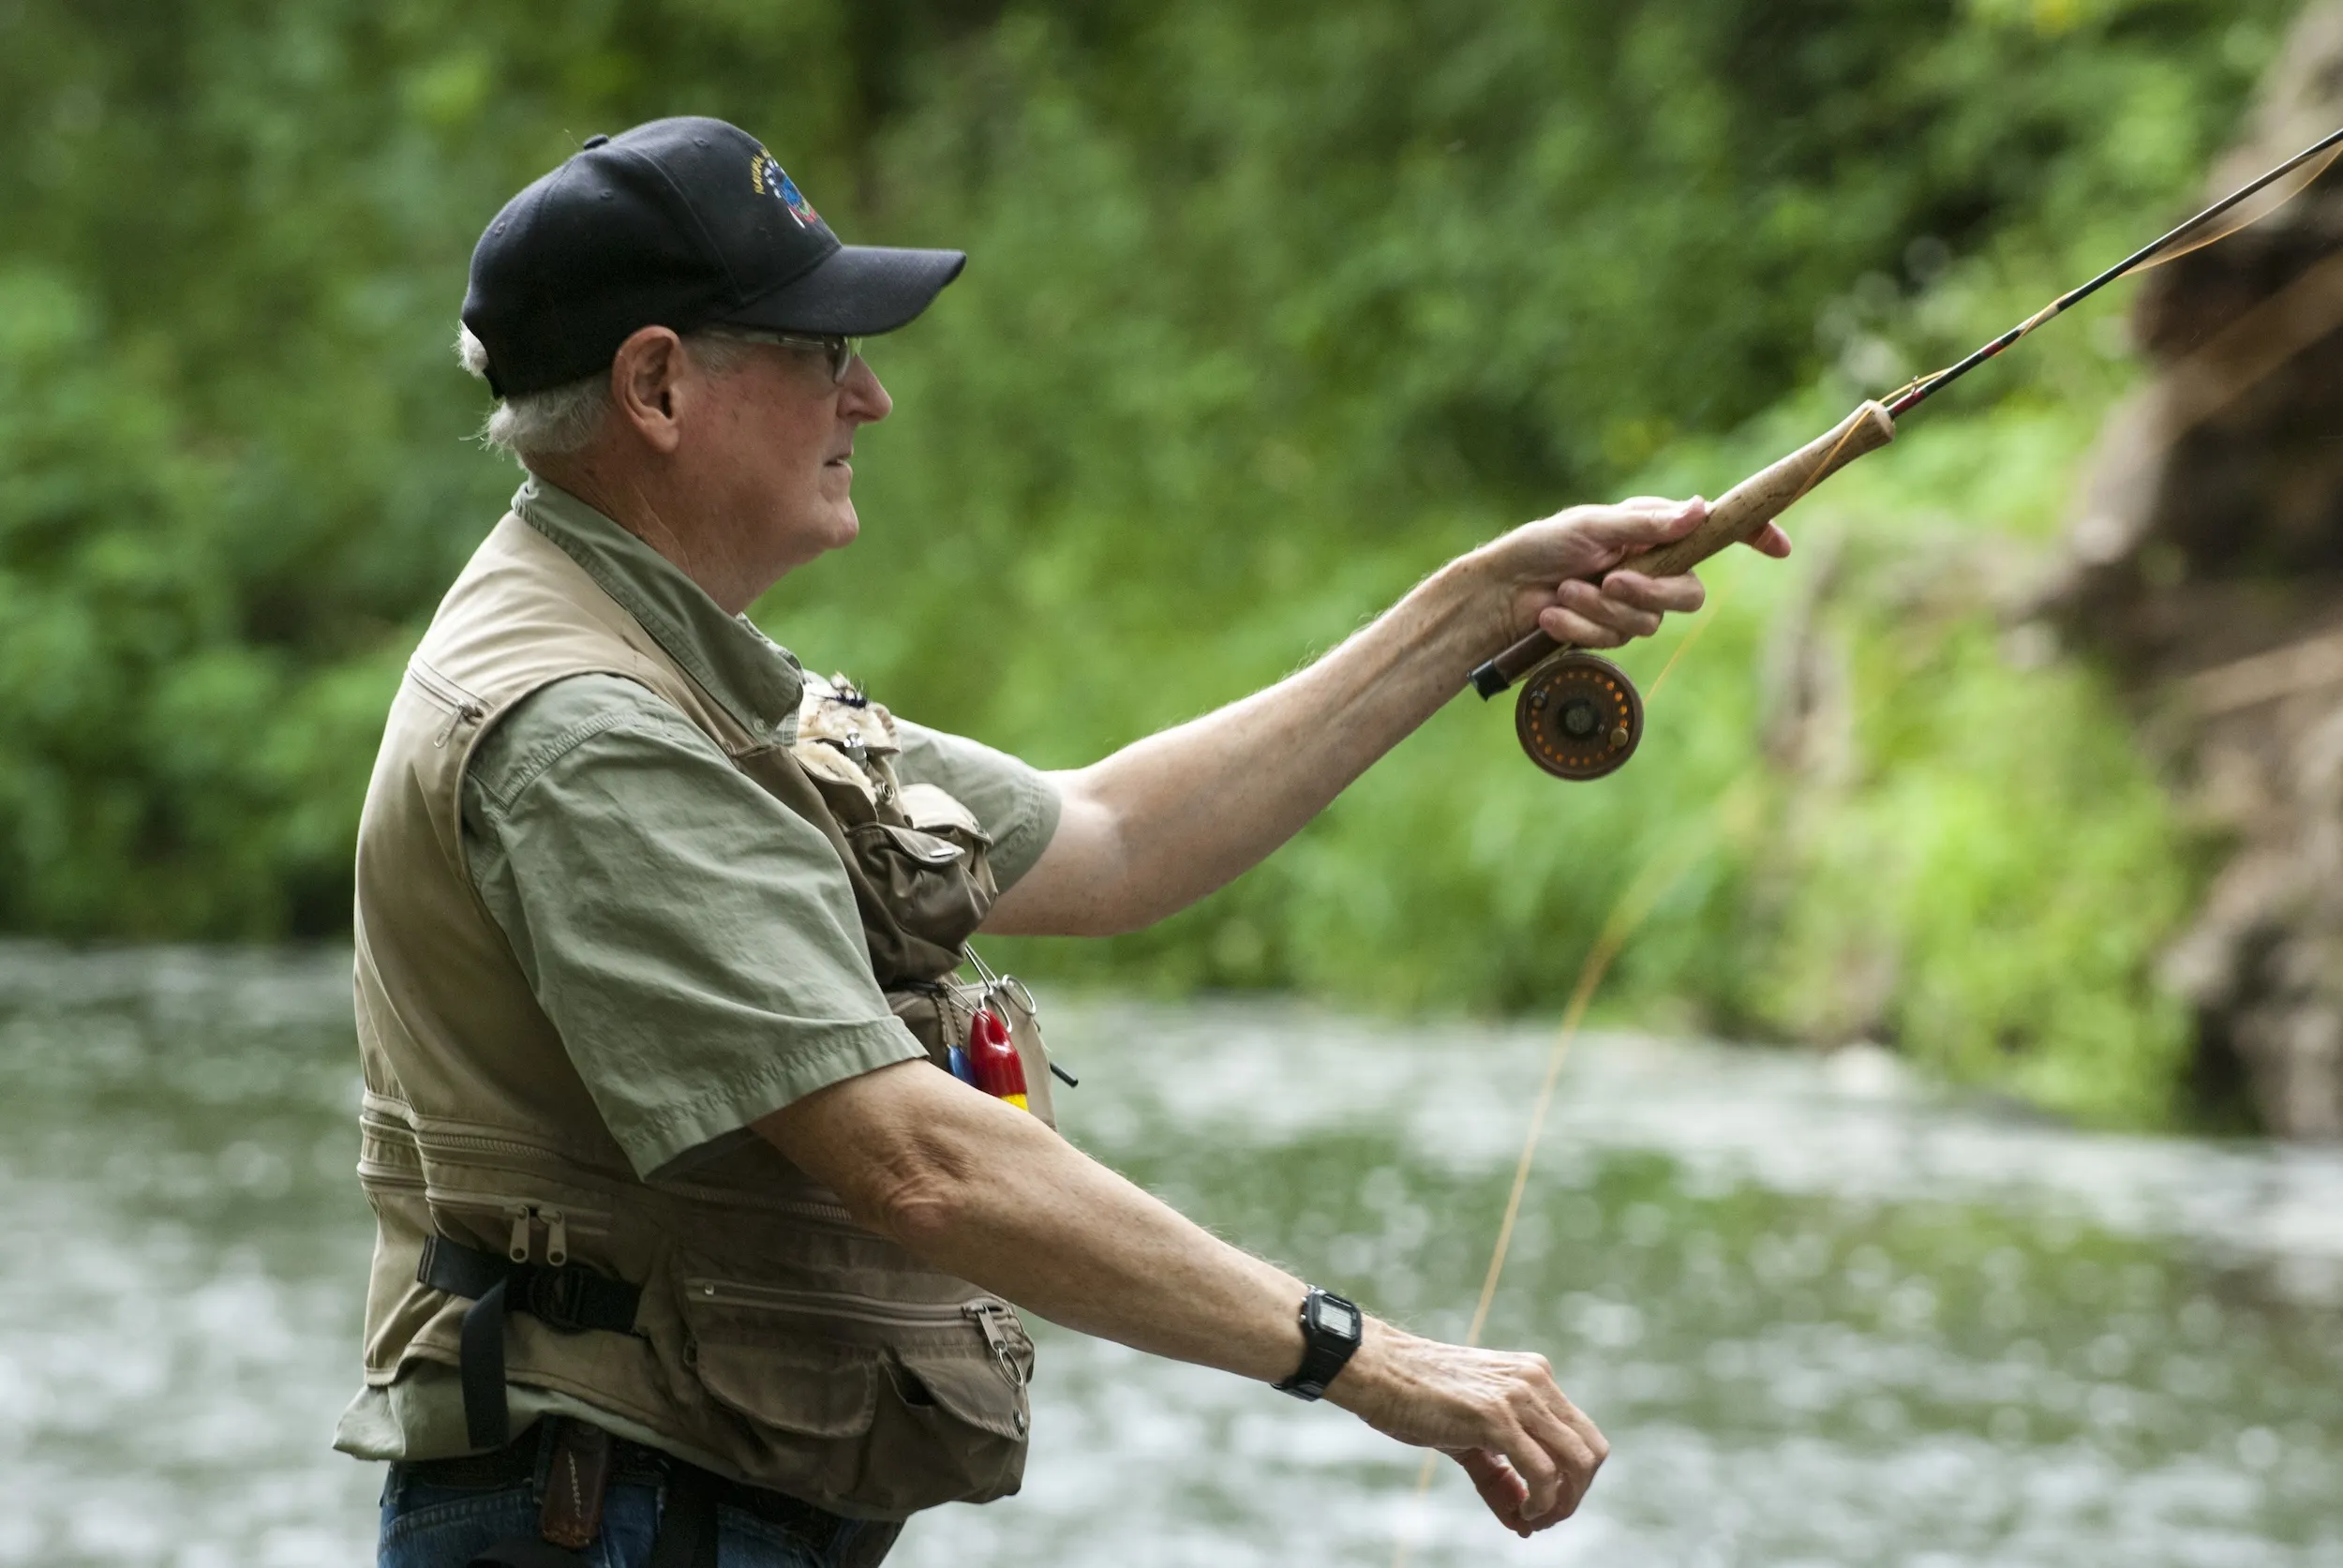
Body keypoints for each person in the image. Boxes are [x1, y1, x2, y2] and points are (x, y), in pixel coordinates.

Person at [340, 116, 1790, 1568]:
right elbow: (919, 1161)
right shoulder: (586, 733)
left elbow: (1105, 836)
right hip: (600, 1524)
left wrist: (1480, 604)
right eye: (821, 350)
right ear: (657, 385)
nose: (874, 396)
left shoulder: (674, 663)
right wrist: (1374, 1362)